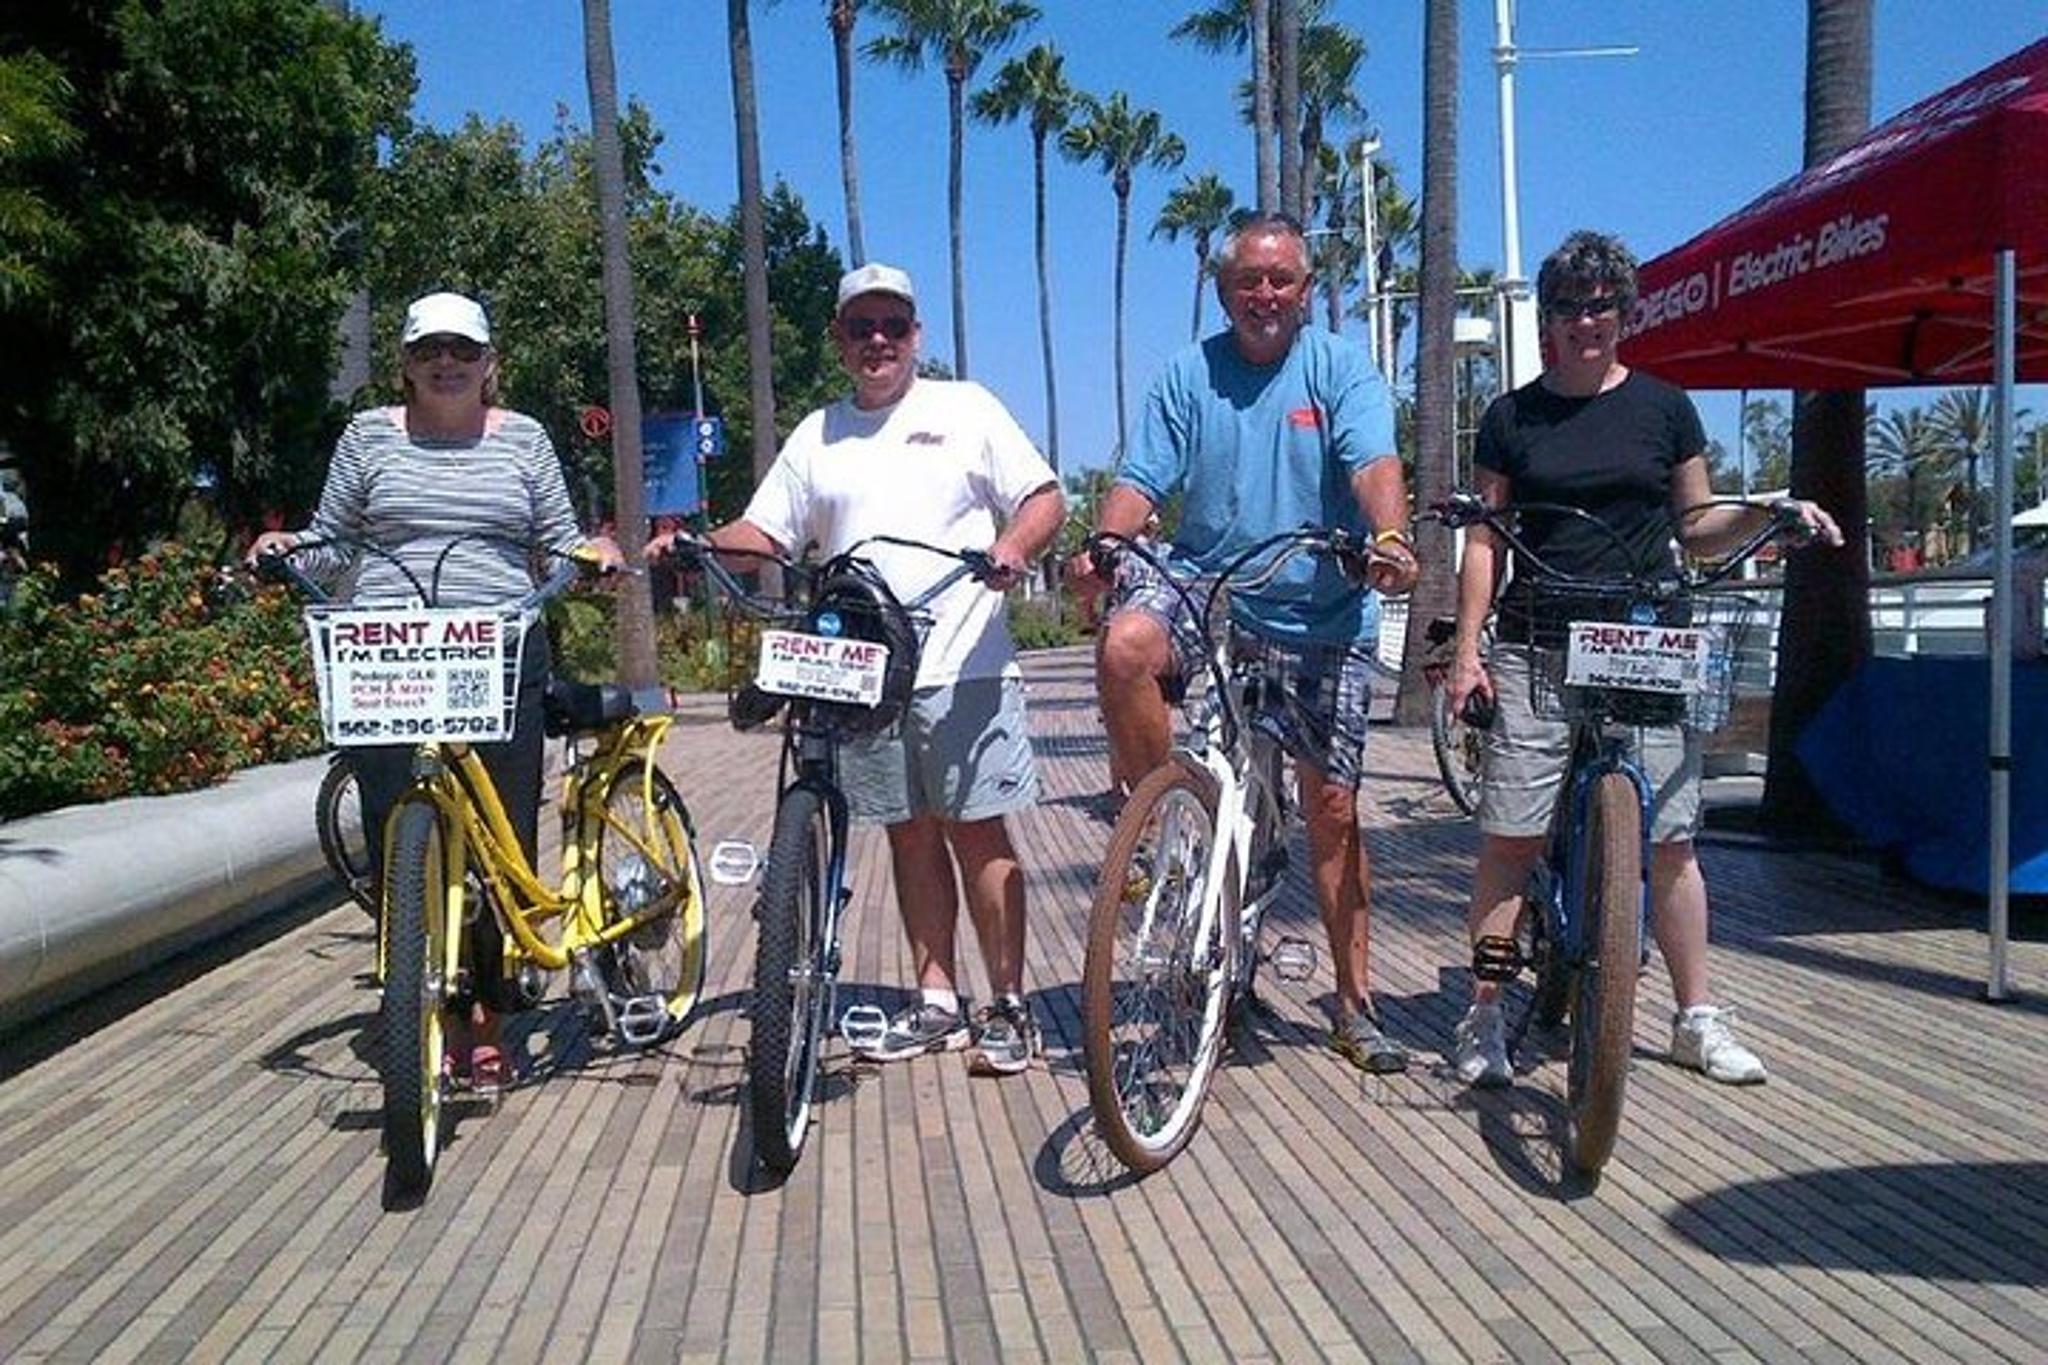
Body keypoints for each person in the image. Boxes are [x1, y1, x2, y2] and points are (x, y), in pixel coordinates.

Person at [1442, 230, 1842, 1089]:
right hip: (1540, 639)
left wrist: (1766, 508)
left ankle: (1695, 1014)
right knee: (1512, 838)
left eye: (1602, 305)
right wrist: (1467, 650)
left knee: (1672, 842)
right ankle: (1482, 1012)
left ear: (1624, 313)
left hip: (1645, 638)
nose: (1587, 320)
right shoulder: (1513, 417)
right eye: (1570, 306)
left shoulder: (1666, 408)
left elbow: (1696, 529)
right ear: (1548, 318)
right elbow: (1486, 541)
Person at [649, 262, 1064, 1076]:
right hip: (863, 668)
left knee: (977, 830)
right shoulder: (819, 432)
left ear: (916, 336)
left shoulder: (966, 408)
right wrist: (691, 542)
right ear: (839, 340)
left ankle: (1009, 1005)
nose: (878, 340)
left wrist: (1013, 548)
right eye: (861, 327)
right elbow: (766, 531)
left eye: (894, 326)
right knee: (908, 832)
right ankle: (937, 1000)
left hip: (960, 662)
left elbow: (1044, 496)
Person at [1067, 212, 1420, 1074]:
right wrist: (1105, 547)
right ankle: (1163, 824)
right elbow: (1141, 481)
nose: (1264, 294)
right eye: (1247, 280)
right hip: (1208, 585)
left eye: (1282, 280)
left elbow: (1373, 463)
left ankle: (1354, 1001)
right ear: (1223, 290)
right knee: (1124, 646)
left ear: (1305, 289)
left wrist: (1391, 539)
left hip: (1317, 603)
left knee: (1332, 810)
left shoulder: (1340, 369)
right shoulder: (1190, 375)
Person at [247, 290, 623, 1095]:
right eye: (428, 351)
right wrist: (287, 551)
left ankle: (487, 1018)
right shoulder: (369, 437)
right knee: (396, 838)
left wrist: (588, 552)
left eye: (461, 349)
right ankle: (423, 1002)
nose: (445, 363)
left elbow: (555, 539)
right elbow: (332, 542)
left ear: (490, 364)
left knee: (501, 837)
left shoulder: (522, 438)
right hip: (387, 654)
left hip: (499, 645)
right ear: (406, 365)